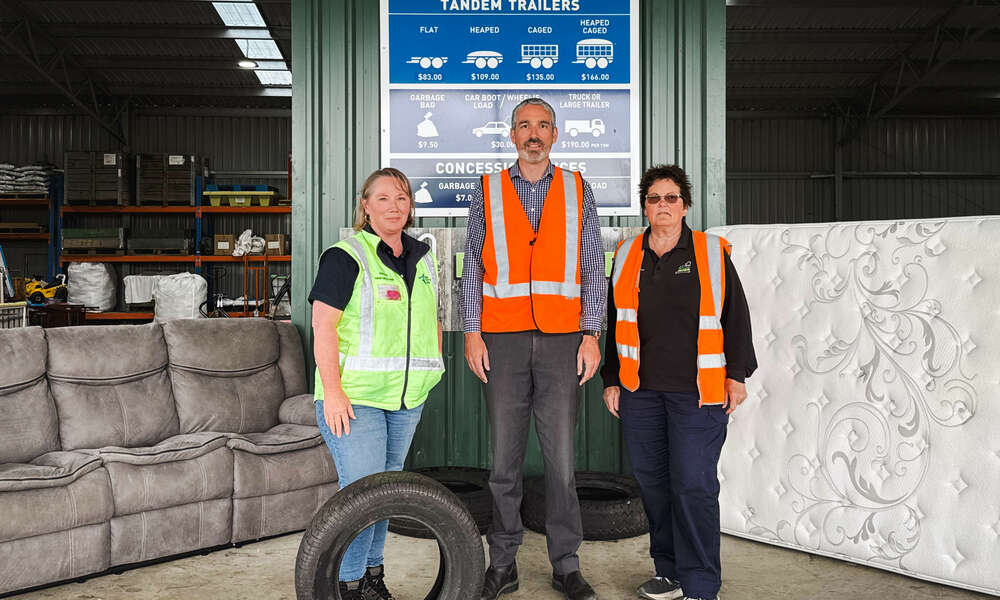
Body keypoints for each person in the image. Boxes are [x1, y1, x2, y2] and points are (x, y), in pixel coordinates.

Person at [462, 97, 606, 600]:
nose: (534, 134)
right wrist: (471, 331)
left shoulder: (576, 188)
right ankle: (503, 564)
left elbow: (592, 264)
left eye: (542, 125)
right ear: (512, 134)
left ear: (555, 135)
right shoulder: (488, 189)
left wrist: (592, 334)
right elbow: (471, 264)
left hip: (563, 341)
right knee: (504, 462)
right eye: (525, 125)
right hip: (500, 340)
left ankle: (566, 565)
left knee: (561, 463)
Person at [601, 164, 756, 600]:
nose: (663, 205)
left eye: (671, 198)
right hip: (641, 393)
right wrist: (612, 379)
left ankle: (702, 585)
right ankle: (668, 573)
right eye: (654, 198)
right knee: (654, 486)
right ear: (644, 207)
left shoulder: (710, 252)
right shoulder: (628, 255)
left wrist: (735, 374)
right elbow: (617, 322)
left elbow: (736, 317)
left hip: (698, 394)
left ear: (685, 205)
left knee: (693, 485)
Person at [309, 167, 444, 600]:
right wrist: (333, 390)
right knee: (362, 497)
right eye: (383, 199)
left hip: (406, 400)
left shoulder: (423, 258)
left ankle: (371, 578)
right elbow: (323, 327)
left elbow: (432, 321)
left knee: (385, 495)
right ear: (365, 207)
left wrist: (430, 370)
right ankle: (345, 585)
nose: (394, 207)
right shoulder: (346, 256)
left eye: (402, 198)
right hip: (354, 399)